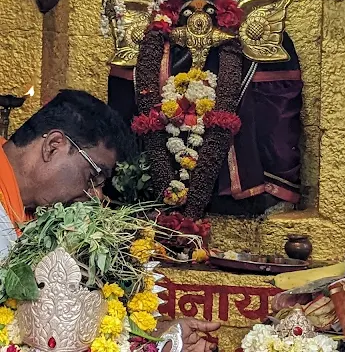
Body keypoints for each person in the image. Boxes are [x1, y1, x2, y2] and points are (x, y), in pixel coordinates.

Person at [0, 89, 219, 352]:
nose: (96, 194)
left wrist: (151, 339)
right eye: (94, 175)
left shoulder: (40, 215)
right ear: (53, 145)